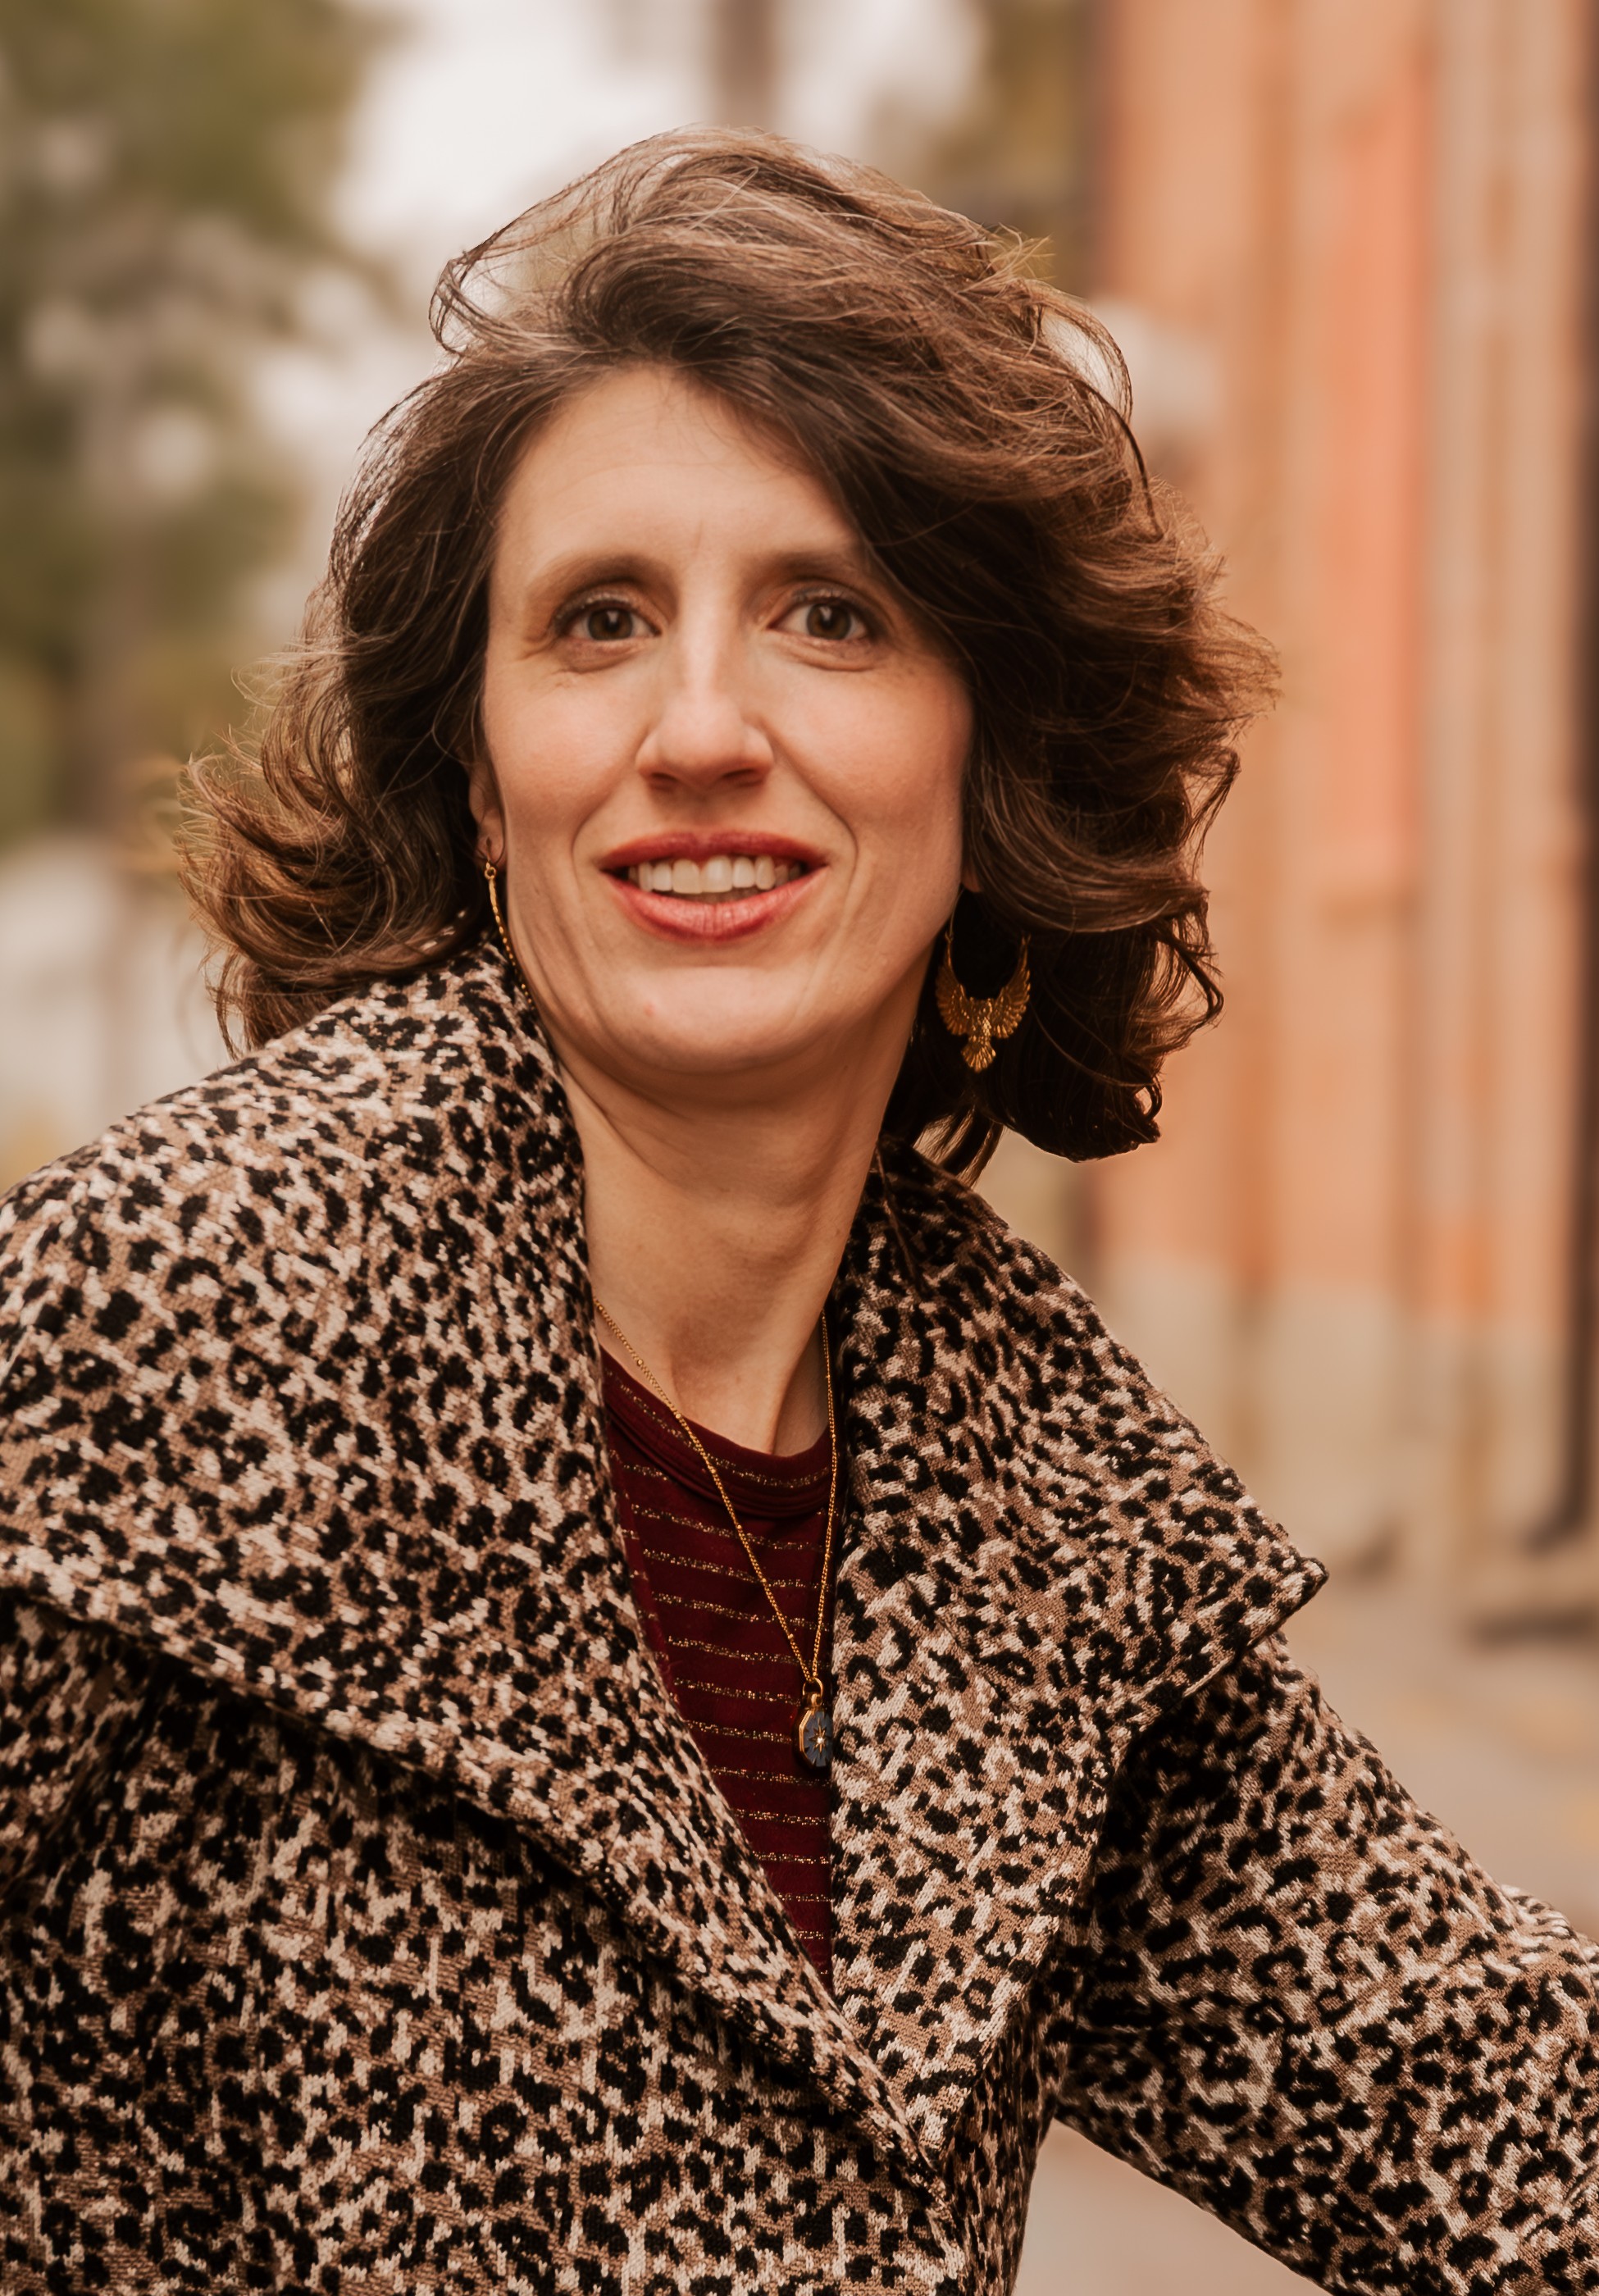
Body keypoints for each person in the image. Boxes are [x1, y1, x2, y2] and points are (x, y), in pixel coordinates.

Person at [0, 129, 1593, 2296]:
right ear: (484, 782)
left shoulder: (1036, 1509)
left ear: (983, 756)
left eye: (830, 615)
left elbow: (1499, 2122)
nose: (704, 727)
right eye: (600, 624)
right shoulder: (171, 1312)